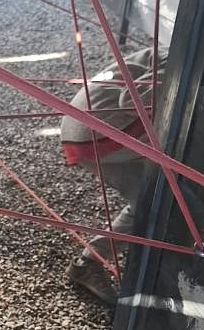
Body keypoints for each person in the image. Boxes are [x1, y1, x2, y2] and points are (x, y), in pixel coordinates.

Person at [60, 47, 167, 305]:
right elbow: (130, 101)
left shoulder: (168, 50)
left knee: (147, 202)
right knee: (170, 191)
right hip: (99, 133)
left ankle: (87, 263)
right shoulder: (186, 59)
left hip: (82, 129)